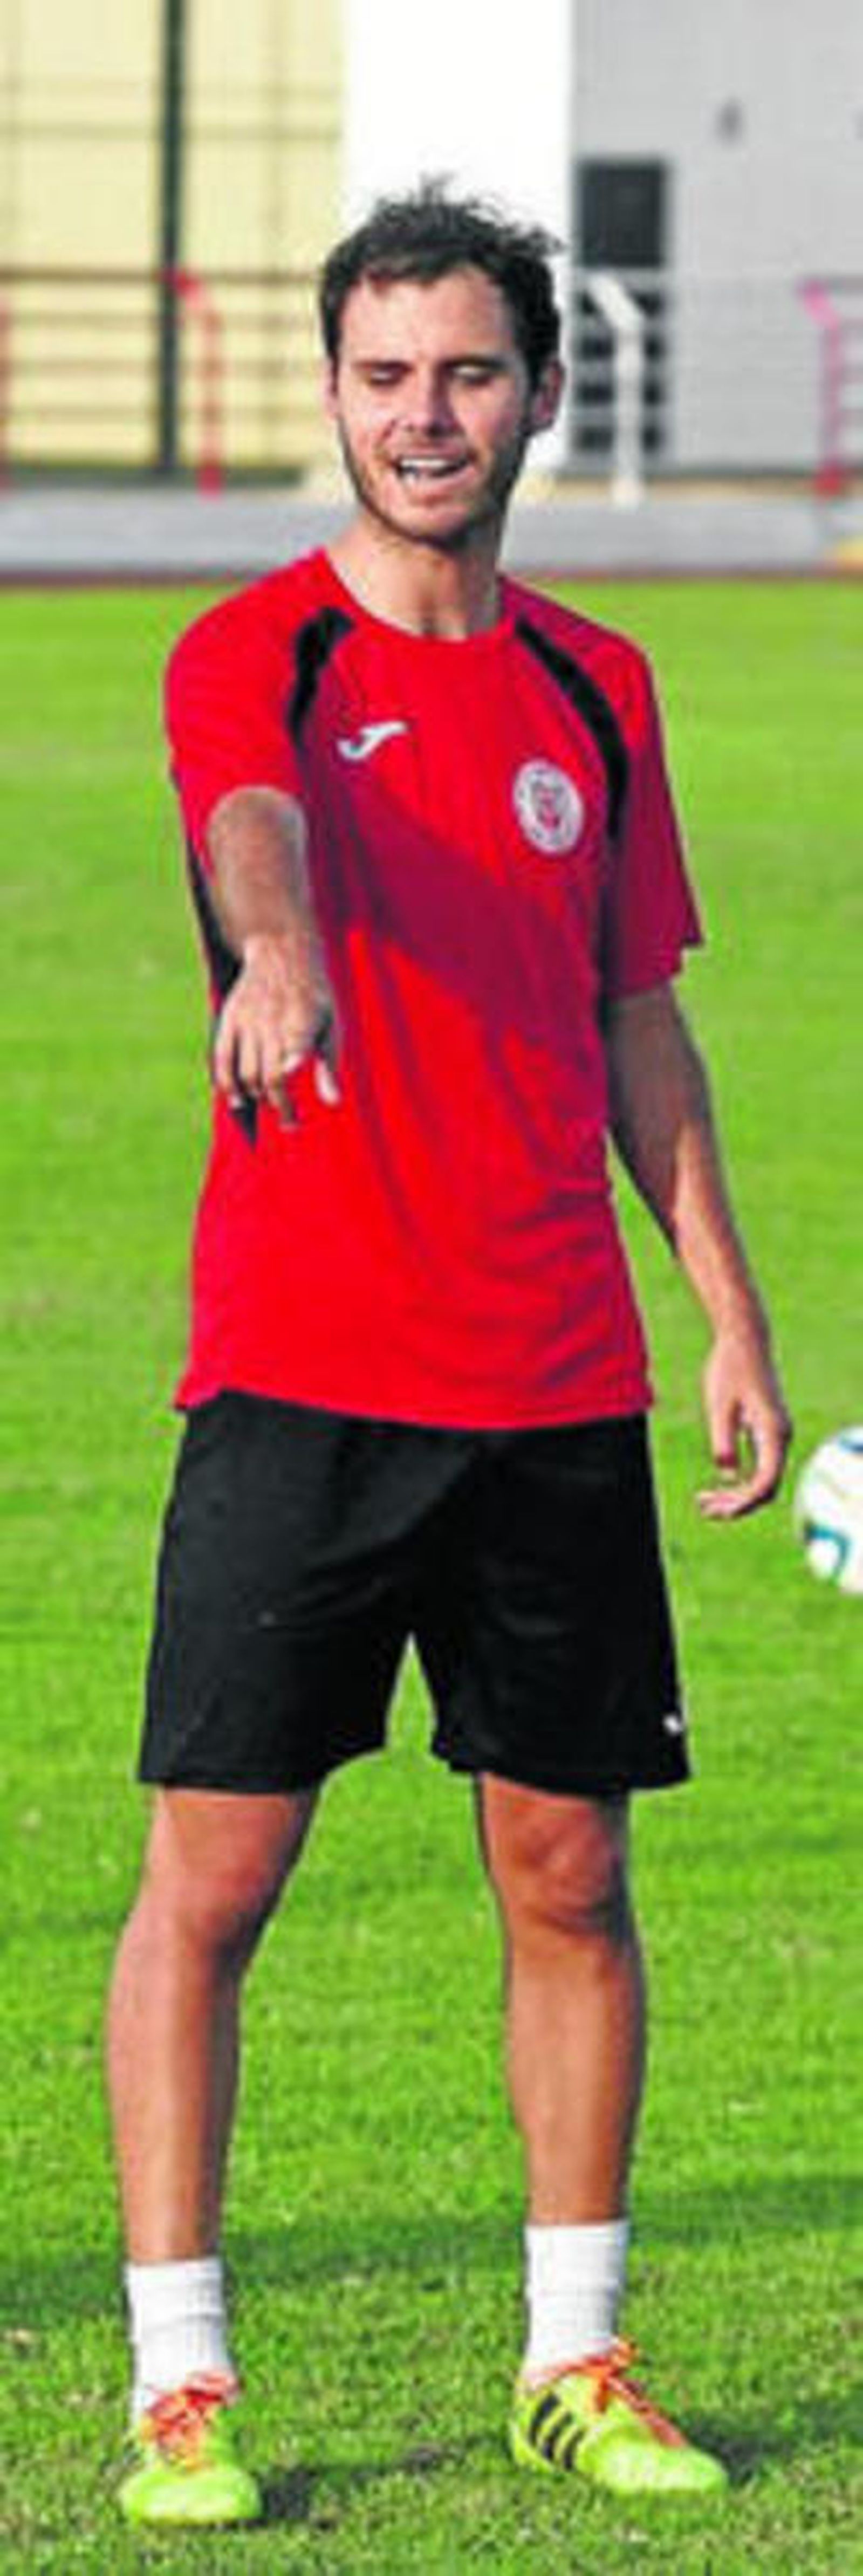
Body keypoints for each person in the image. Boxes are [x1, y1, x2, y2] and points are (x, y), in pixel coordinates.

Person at [107, 182, 791, 2527]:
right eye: (387, 374)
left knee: (571, 1879)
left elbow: (636, 1012)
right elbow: (250, 822)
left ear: (538, 394)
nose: (426, 415)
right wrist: (277, 950)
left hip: (554, 1383)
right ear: (332, 393)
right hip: (301, 1381)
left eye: (468, 372)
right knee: (215, 1881)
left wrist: (722, 1307)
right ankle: (180, 2386)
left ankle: (574, 2359)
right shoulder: (255, 652)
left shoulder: (601, 686)